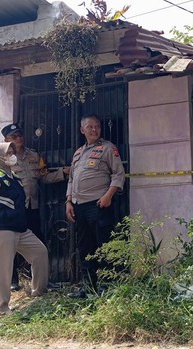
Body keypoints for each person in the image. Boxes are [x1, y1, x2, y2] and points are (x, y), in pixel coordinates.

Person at [0, 142, 49, 317]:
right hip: (1, 229)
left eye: (12, 152)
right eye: (8, 153)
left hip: (19, 228)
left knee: (40, 252)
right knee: (2, 268)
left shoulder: (13, 177)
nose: (11, 155)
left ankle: (39, 291)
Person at [1, 123, 70, 291]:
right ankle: (12, 280)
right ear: (6, 140)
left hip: (33, 207)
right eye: (14, 136)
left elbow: (44, 177)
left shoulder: (33, 155)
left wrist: (63, 173)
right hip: (14, 209)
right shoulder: (4, 159)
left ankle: (39, 281)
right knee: (12, 244)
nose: (19, 138)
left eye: (20, 134)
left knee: (38, 243)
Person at [65, 114, 125, 298]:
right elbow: (71, 179)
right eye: (90, 126)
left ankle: (107, 285)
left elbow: (118, 174)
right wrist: (68, 201)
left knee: (104, 245)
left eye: (97, 126)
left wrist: (108, 195)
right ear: (82, 130)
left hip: (99, 204)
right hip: (79, 207)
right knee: (85, 247)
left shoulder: (108, 148)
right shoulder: (77, 153)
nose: (94, 129)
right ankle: (88, 287)